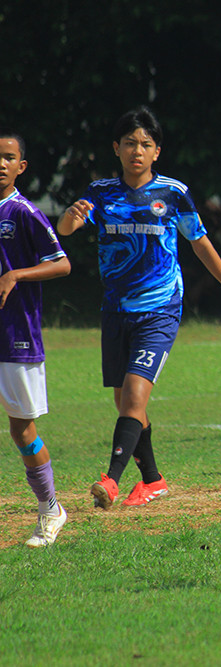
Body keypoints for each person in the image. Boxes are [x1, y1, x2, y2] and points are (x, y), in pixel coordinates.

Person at [56, 106, 221, 510]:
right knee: (127, 404)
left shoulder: (173, 193)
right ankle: (153, 480)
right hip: (115, 310)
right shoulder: (100, 192)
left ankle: (110, 481)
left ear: (156, 151)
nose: (137, 150)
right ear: (116, 148)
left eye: (145, 144)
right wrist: (69, 218)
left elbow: (200, 243)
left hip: (160, 308)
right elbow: (66, 230)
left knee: (134, 395)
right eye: (129, 143)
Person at [0, 131, 71, 546]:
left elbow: (61, 264)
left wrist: (16, 273)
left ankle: (51, 509)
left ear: (21, 166)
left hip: (16, 335)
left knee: (22, 430)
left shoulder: (23, 212)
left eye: (8, 157)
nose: (1, 163)